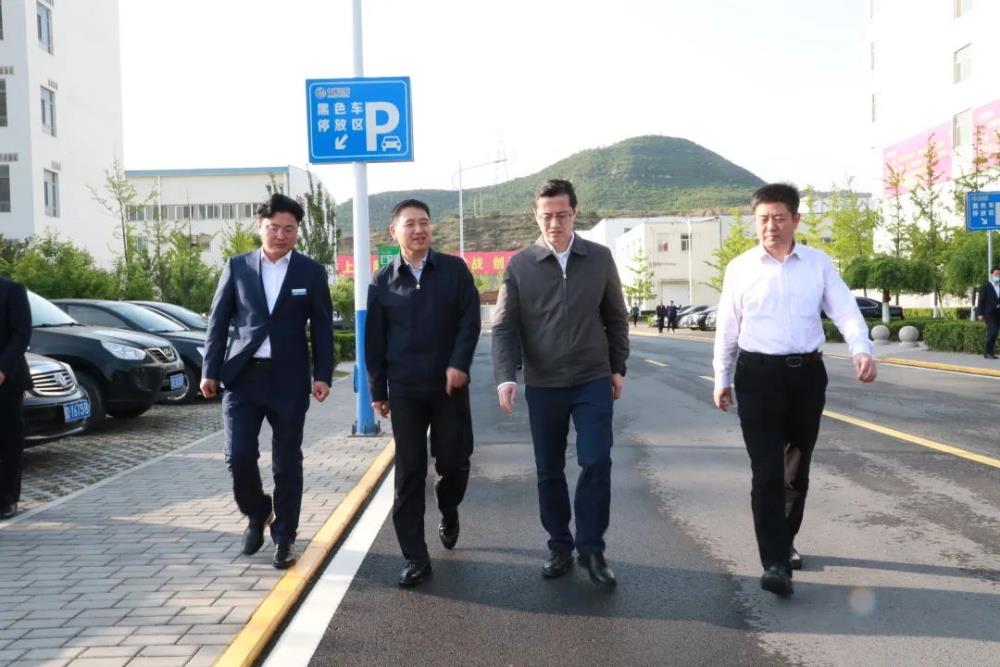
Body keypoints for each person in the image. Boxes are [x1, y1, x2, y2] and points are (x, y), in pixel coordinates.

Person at [712, 183, 876, 597]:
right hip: (757, 376)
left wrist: (861, 349)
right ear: (755, 222)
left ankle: (785, 541)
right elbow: (727, 327)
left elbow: (845, 310)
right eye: (763, 219)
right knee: (767, 469)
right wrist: (721, 377)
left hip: (807, 376)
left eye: (779, 218)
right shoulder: (740, 268)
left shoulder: (818, 264)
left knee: (796, 468)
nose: (771, 226)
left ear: (796, 220)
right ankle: (774, 562)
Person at [493, 178, 629, 587]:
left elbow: (615, 317)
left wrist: (617, 366)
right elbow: (504, 326)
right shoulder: (520, 265)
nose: (555, 223)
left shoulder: (599, 258)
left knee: (596, 459)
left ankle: (592, 548)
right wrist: (506, 376)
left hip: (592, 378)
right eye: (547, 216)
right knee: (549, 469)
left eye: (562, 215)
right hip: (545, 383)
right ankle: (559, 545)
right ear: (536, 216)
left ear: (575, 214)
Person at [201, 193, 334, 570]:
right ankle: (258, 511)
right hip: (243, 378)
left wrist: (323, 374)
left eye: (288, 229)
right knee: (238, 456)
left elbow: (322, 327)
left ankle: (284, 537)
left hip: (289, 380)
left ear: (297, 231)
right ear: (260, 227)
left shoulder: (310, 272)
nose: (280, 235)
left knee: (287, 461)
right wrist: (210, 370)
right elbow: (218, 322)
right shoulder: (237, 266)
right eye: (273, 228)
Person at [366, 199, 481, 587]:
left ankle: (449, 508)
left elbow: (470, 321)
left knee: (454, 461)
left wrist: (459, 363)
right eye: (410, 224)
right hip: (405, 390)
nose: (419, 230)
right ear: (394, 232)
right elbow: (374, 342)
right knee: (409, 471)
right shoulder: (382, 282)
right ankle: (415, 556)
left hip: (449, 388)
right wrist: (377, 390)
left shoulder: (454, 270)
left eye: (424, 223)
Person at [0, 277, 32, 521]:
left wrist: (3, 369)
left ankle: (7, 498)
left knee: (9, 442)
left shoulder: (11, 289)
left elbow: (22, 334)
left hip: (7, 380)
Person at [975, 267, 1000, 359]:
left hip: (999, 313)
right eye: (996, 274)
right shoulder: (985, 287)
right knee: (993, 332)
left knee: (994, 333)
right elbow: (981, 301)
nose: (998, 276)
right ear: (992, 275)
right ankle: (989, 352)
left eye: (999, 274)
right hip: (990, 314)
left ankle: (989, 352)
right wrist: (979, 313)